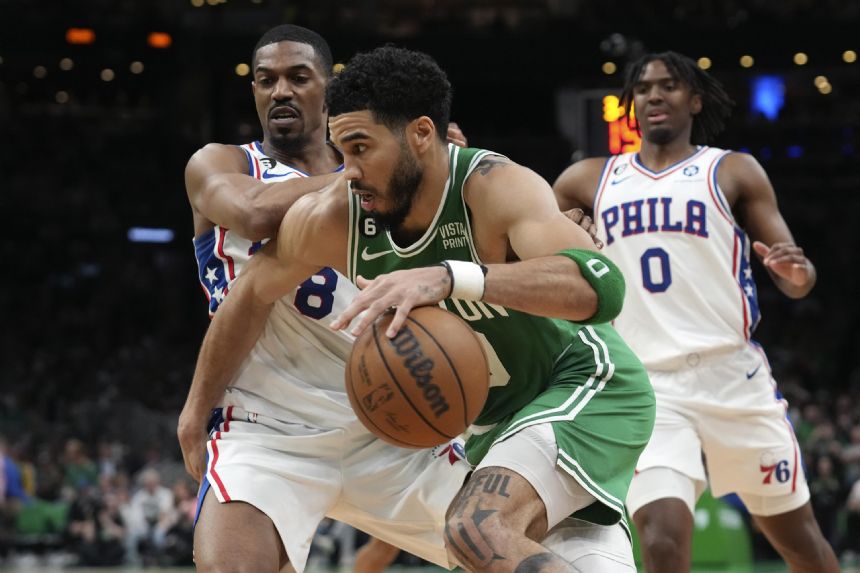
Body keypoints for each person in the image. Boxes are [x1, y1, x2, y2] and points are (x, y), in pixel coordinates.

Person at [186, 45, 656, 573]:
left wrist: (451, 277)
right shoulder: (336, 214)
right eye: (342, 151)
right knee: (489, 542)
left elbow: (603, 287)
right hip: (492, 426)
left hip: (582, 383)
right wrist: (194, 408)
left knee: (476, 529)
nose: (350, 171)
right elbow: (249, 293)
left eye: (362, 149)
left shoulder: (492, 185)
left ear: (421, 134)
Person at [179, 25, 475, 573]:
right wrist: (372, 170)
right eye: (266, 81)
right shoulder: (223, 163)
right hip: (265, 427)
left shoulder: (392, 181)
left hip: (391, 420)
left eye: (298, 77)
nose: (280, 92)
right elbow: (255, 214)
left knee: (529, 549)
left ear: (328, 88)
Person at [552, 50, 839, 573]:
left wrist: (796, 274)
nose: (655, 95)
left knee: (803, 547)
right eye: (643, 88)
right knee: (661, 541)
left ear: (696, 98)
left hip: (733, 376)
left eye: (669, 86)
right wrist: (566, 228)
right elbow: (539, 246)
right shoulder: (587, 179)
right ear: (632, 104)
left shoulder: (731, 170)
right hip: (648, 383)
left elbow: (796, 279)